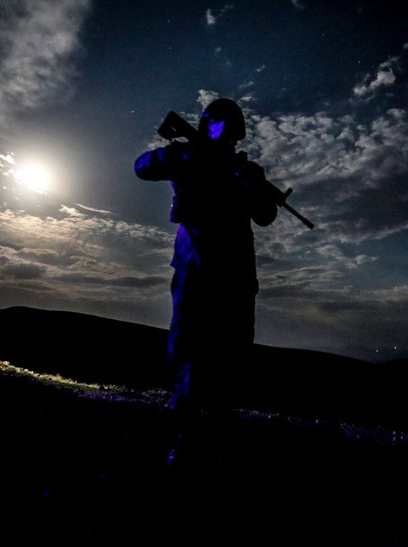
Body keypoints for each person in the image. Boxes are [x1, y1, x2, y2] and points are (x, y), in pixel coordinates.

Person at [134, 98, 278, 465]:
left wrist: (256, 184)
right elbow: (141, 167)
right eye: (218, 124)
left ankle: (218, 423)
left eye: (230, 126)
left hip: (235, 272)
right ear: (207, 125)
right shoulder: (187, 154)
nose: (224, 132)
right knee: (189, 344)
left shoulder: (243, 169)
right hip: (196, 266)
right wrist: (179, 157)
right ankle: (184, 425)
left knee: (232, 345)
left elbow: (266, 215)